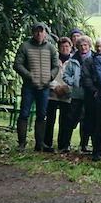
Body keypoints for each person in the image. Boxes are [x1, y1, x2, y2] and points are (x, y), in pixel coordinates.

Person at [13, 21, 59, 152]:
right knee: (24, 114)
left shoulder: (50, 48)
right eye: (37, 31)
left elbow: (56, 66)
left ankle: (40, 143)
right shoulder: (25, 46)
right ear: (33, 32)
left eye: (41, 31)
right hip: (29, 87)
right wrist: (28, 75)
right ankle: (22, 143)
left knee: (42, 115)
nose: (39, 33)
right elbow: (17, 64)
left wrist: (50, 76)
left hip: (44, 87)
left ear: (45, 32)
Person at [63, 36, 94, 153]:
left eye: (85, 45)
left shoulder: (94, 58)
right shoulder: (73, 59)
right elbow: (66, 75)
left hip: (89, 94)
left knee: (87, 120)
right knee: (71, 118)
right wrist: (74, 82)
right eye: (80, 45)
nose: (83, 47)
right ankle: (67, 143)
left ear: (89, 46)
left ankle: (84, 144)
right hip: (76, 93)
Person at [45, 37, 72, 153]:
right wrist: (55, 86)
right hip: (52, 94)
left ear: (71, 47)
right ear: (58, 48)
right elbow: (47, 74)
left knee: (65, 121)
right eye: (62, 46)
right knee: (50, 119)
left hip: (67, 95)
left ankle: (64, 144)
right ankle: (47, 143)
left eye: (67, 46)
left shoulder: (74, 61)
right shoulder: (52, 60)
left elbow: (75, 78)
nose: (65, 48)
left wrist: (65, 88)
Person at [81, 37, 101, 155]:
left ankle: (100, 147)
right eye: (97, 46)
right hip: (91, 96)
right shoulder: (89, 61)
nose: (99, 49)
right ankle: (87, 145)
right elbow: (86, 78)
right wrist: (94, 91)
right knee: (89, 121)